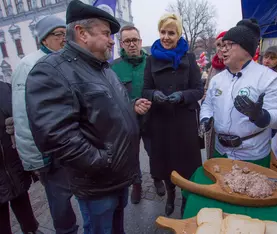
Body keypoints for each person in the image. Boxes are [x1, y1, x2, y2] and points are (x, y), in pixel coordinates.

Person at [25, 1, 151, 233]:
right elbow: (55, 136)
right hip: (98, 183)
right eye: (105, 33)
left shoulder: (103, 68)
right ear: (82, 33)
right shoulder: (52, 71)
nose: (112, 40)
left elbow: (109, 108)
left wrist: (131, 105)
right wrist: (104, 161)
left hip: (118, 176)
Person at [11, 15, 78, 234]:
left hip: (73, 144)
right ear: (43, 40)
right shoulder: (28, 65)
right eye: (58, 35)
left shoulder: (68, 61)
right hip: (49, 151)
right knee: (60, 200)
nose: (63, 40)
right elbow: (23, 116)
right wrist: (36, 158)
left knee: (81, 191)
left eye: (65, 35)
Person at [200, 19, 277, 167]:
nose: (223, 49)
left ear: (245, 48)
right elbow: (208, 104)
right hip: (220, 151)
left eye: (229, 45)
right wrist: (205, 118)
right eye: (222, 45)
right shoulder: (217, 79)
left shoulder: (269, 78)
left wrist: (261, 116)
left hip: (252, 155)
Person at [142, 13, 203, 216]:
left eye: (171, 32)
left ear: (179, 35)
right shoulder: (151, 60)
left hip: (184, 123)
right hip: (161, 122)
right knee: (165, 163)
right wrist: (154, 94)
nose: (166, 37)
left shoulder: (189, 57)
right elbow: (145, 89)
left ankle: (186, 199)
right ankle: (170, 195)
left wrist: (182, 96)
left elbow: (198, 89)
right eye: (163, 32)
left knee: (186, 164)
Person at [111, 25, 165, 204]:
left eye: (135, 40)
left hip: (152, 117)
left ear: (141, 42)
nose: (132, 44)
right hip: (127, 120)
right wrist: (131, 106)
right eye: (127, 41)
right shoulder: (112, 68)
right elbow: (111, 97)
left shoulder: (152, 62)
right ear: (121, 44)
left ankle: (157, 178)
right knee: (131, 155)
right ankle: (137, 184)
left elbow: (159, 88)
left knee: (155, 152)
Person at [0, 81, 43, 234]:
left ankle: (32, 229)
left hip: (12, 161)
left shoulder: (4, 88)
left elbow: (18, 115)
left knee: (21, 196)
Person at [203, 31, 227, 99]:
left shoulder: (232, 65)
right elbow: (207, 87)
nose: (220, 48)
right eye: (218, 45)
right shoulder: (214, 65)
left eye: (224, 45)